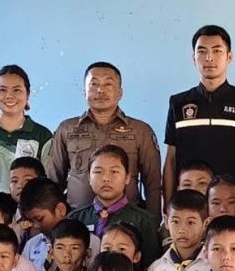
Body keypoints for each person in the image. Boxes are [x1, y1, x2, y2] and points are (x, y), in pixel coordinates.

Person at [164, 26, 235, 205]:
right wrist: (168, 205)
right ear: (193, 58)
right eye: (202, 51)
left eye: (217, 51)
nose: (209, 58)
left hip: (234, 204)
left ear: (229, 57)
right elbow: (171, 160)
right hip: (189, 205)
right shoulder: (178, 103)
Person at [48, 62, 163, 214]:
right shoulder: (66, 129)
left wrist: (152, 221)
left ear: (120, 92)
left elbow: (153, 184)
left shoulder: (141, 131)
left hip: (128, 221)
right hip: (76, 220)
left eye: (108, 84)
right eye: (94, 84)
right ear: (84, 92)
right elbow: (53, 180)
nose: (100, 90)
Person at [69, 145, 162, 267]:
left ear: (127, 177)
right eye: (98, 172)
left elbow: (150, 268)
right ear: (89, 178)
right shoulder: (76, 219)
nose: (106, 178)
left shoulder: (143, 221)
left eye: (114, 171)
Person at [0, 64, 54, 194]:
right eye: (2, 90)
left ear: (28, 94)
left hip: (27, 205)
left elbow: (48, 182)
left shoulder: (43, 136)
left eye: (16, 90)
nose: (9, 96)